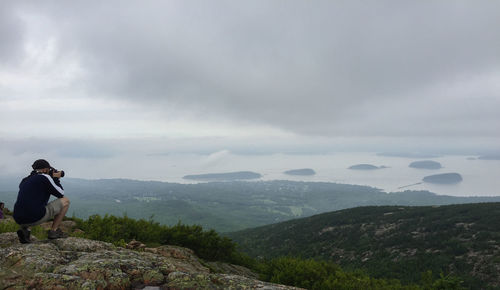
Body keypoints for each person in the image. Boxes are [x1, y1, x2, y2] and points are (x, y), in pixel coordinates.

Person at [13, 159, 70, 243]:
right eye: (49, 169)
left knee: (31, 203)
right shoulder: (45, 177)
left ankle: (25, 232)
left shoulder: (25, 180)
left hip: (18, 218)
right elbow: (61, 193)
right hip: (35, 217)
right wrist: (55, 178)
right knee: (66, 201)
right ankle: (54, 231)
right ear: (45, 169)